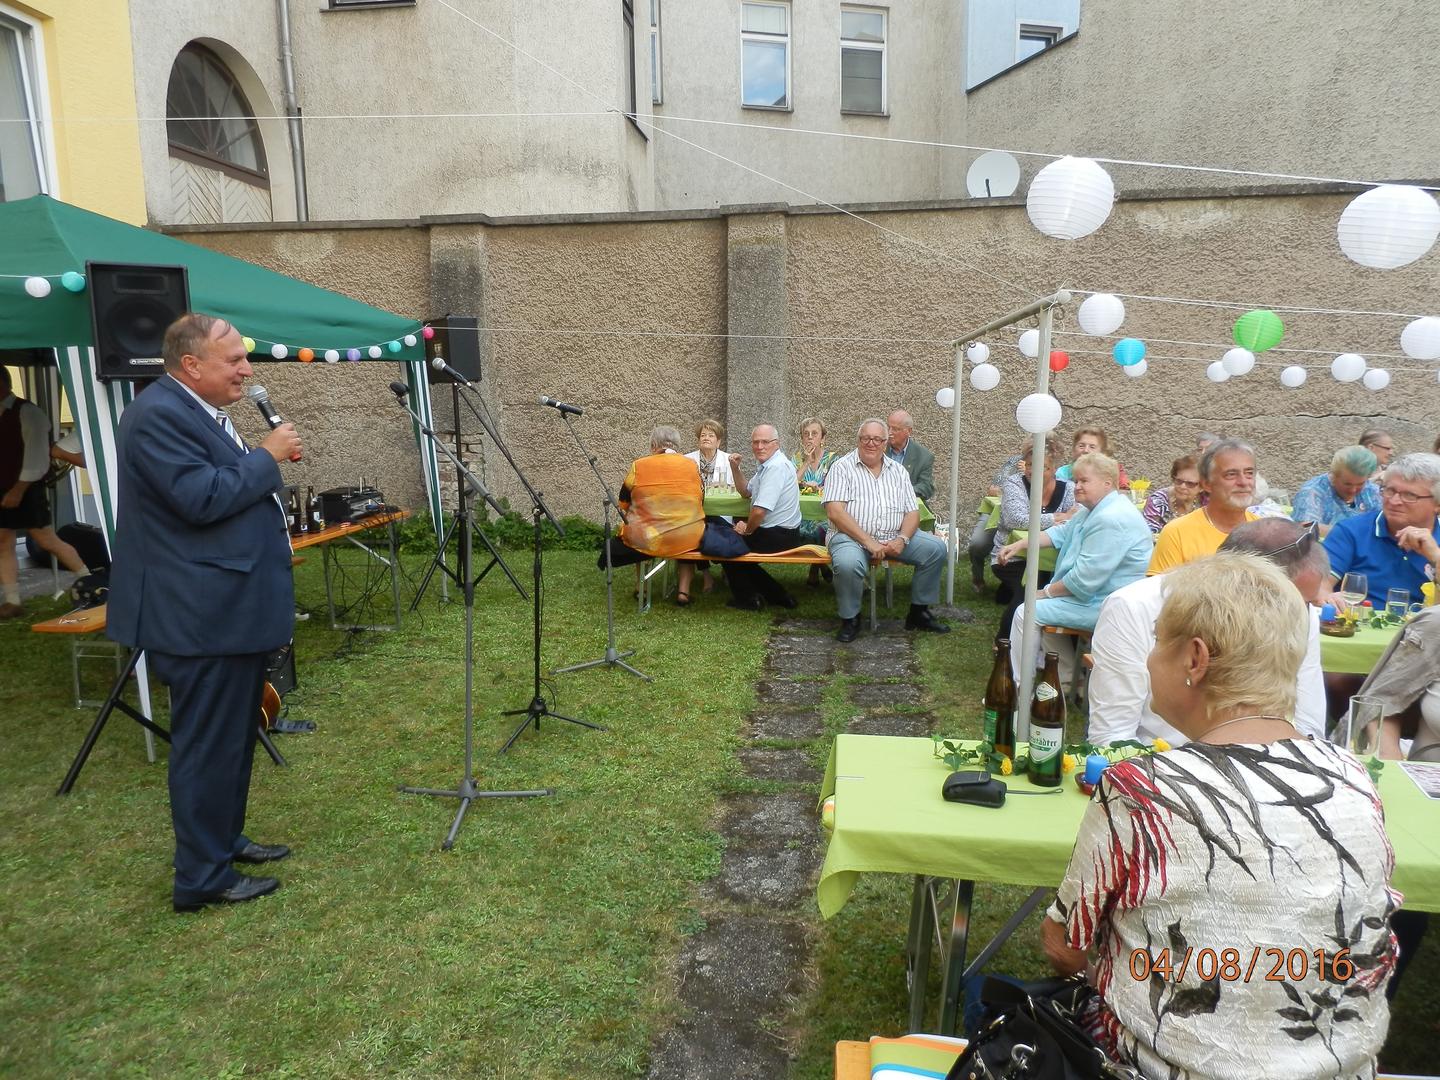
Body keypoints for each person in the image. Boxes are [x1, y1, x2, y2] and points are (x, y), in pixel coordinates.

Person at [1042, 552, 1399, 1079]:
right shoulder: (1353, 778)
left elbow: (1063, 945)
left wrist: (1119, 977)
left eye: (1157, 641)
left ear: (1195, 659)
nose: (1149, 660)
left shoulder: (1143, 790)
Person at [107, 314, 301, 912]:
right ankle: (201, 877)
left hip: (227, 610)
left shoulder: (199, 410)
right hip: (198, 616)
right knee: (206, 744)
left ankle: (222, 840)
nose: (246, 370)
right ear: (191, 365)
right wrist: (266, 457)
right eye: (234, 360)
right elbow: (200, 498)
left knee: (235, 737)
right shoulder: (158, 414)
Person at [1087, 518, 1330, 747]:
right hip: (1159, 763)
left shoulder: (1299, 609)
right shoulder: (1134, 606)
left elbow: (1309, 721)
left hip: (1275, 762)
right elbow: (1113, 736)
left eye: (1305, 603)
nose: (1299, 611)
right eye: (1158, 636)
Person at [997, 452, 1151, 682]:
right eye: (1076, 480)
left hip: (1110, 605)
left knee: (1027, 611)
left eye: (1084, 481)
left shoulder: (1111, 518)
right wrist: (1020, 544)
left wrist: (1044, 593)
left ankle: (1017, 687)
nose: (1077, 486)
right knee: (1041, 608)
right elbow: (1060, 532)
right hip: (1096, 597)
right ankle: (1067, 679)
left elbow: (1083, 580)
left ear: (1108, 483)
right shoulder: (1094, 510)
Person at [823, 419, 950, 643]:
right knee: (848, 564)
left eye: (877, 439)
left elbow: (912, 513)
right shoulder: (841, 467)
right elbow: (835, 512)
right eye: (866, 438)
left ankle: (919, 613)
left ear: (885, 443)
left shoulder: (898, 471)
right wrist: (868, 541)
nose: (871, 443)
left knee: (936, 548)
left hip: (893, 536)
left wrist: (902, 538)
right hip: (850, 538)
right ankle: (850, 619)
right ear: (858, 440)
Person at [0, 366, 88, 619]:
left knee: (46, 540)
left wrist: (18, 491)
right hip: (3, 488)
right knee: (3, 541)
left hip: (27, 488)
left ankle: (90, 582)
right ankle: (12, 601)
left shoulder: (29, 412)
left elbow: (37, 459)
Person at [1322, 452, 1440, 608]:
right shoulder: (1352, 531)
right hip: (1359, 620)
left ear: (1437, 504)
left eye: (1409, 495)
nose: (1394, 501)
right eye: (1389, 490)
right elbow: (1319, 585)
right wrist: (1328, 598)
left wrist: (1436, 557)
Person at [601, 426, 706, 599]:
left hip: (649, 537)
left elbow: (623, 502)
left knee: (641, 531)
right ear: (677, 446)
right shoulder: (692, 465)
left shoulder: (639, 465)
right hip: (688, 536)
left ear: (654, 445)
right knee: (685, 530)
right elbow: (700, 499)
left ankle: (641, 588)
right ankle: (683, 591)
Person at [988, 433, 1074, 642]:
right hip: (1012, 556)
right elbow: (1014, 519)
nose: (1033, 471)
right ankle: (1004, 643)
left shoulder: (1068, 489)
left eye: (1042, 467)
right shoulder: (1014, 483)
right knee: (1028, 590)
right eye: (1029, 465)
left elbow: (1073, 520)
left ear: (1054, 469)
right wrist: (1055, 517)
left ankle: (1048, 644)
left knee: (1055, 588)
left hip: (1054, 558)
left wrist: (1059, 519)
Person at [720, 423, 802, 611]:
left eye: (765, 442)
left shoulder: (775, 467)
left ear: (776, 444)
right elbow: (745, 491)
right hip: (780, 533)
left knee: (727, 547)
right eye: (755, 442)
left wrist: (747, 530)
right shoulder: (767, 465)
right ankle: (779, 596)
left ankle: (749, 600)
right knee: (732, 545)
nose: (759, 446)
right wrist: (735, 468)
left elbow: (759, 512)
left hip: (779, 536)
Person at [1148, 438, 1258, 575]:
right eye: (1231, 474)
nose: (1243, 482)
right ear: (1206, 484)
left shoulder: (1265, 533)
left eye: (1249, 473)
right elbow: (1158, 588)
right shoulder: (1176, 534)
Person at [679, 418, 739, 601]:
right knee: (692, 531)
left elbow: (736, 488)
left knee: (716, 530)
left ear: (718, 441)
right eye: (703, 435)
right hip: (693, 513)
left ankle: (726, 570)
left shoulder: (728, 460)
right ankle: (706, 574)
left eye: (711, 435)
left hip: (720, 512)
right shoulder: (686, 460)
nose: (706, 438)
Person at [966, 445, 1025, 593]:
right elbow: (993, 489)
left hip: (1026, 520)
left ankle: (1016, 584)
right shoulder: (1014, 462)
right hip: (997, 513)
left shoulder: (1053, 470)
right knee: (977, 544)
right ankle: (978, 578)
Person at [1290, 445, 1381, 538]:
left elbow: (1383, 521)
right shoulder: (1312, 492)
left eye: (1360, 484)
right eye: (1347, 484)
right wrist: (1352, 534)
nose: (1353, 490)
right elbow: (1306, 528)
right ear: (1333, 476)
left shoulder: (1371, 490)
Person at [792, 416, 838, 585]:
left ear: (822, 438)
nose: (810, 437)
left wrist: (818, 488)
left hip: (826, 516)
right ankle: (822, 567)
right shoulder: (796, 459)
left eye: (814, 433)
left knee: (819, 529)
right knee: (804, 530)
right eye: (806, 434)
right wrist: (806, 463)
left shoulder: (833, 460)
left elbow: (836, 487)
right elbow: (789, 485)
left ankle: (814, 569)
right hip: (800, 515)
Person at [1140, 454, 1202, 535]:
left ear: (1202, 487)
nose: (1182, 486)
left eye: (1190, 483)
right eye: (1179, 481)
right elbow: (1149, 534)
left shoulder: (1207, 503)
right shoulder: (1157, 501)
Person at [884, 409, 934, 502]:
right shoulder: (878, 448)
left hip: (907, 505)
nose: (889, 432)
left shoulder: (924, 456)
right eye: (888, 427)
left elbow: (926, 487)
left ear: (909, 431)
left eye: (895, 429)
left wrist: (901, 493)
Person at [1055, 427, 1129, 488]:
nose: (1086, 450)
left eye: (1092, 447)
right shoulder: (1063, 473)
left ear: (1102, 452)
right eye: (1081, 446)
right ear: (1074, 449)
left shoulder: (1113, 472)